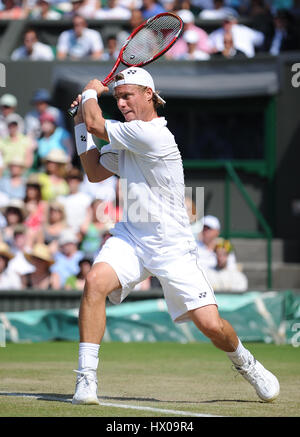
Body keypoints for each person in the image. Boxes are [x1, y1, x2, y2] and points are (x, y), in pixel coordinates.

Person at [68, 66, 280, 404]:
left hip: (172, 246)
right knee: (94, 283)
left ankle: (246, 362)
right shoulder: (127, 136)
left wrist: (91, 94)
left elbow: (97, 123)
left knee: (211, 326)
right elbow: (93, 171)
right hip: (132, 237)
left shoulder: (152, 135)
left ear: (148, 95)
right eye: (118, 97)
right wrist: (80, 122)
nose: (121, 103)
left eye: (127, 96)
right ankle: (86, 379)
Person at [57, 167, 92, 233]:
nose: (72, 181)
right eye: (69, 179)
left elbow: (89, 216)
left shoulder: (86, 198)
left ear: (79, 180)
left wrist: (84, 228)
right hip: (64, 231)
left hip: (82, 232)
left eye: (75, 178)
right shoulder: (60, 199)